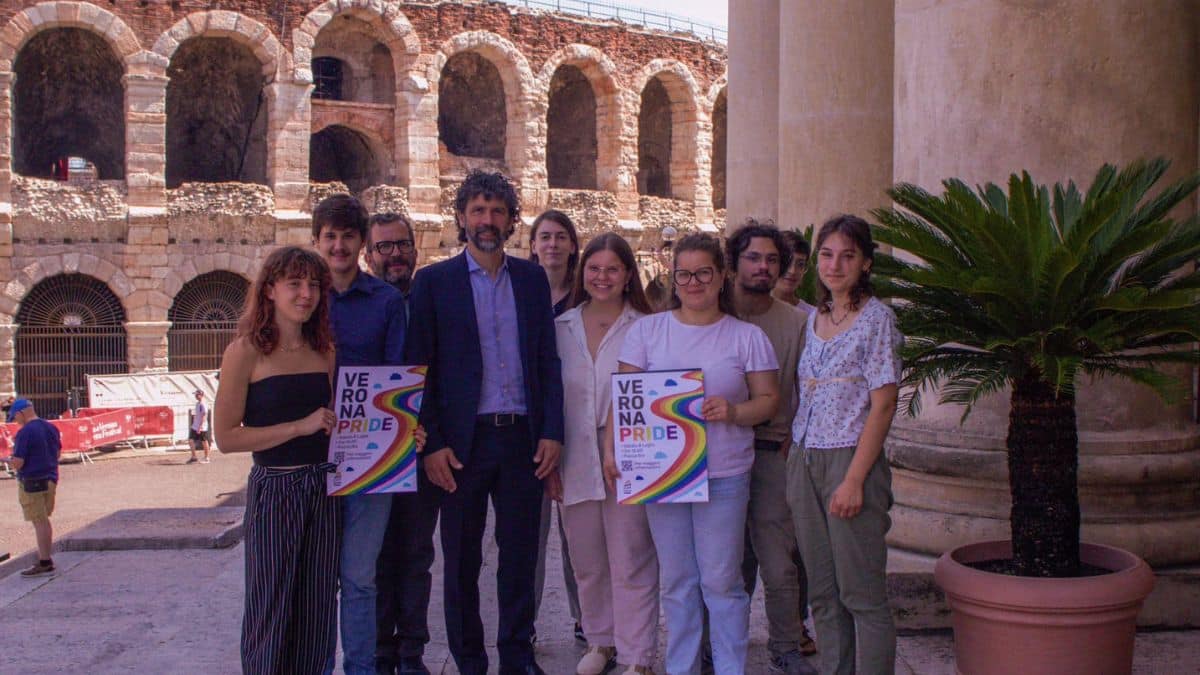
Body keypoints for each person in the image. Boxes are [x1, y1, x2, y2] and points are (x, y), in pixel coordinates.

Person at [406, 170, 563, 675]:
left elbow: (547, 362)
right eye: (478, 210)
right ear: (461, 218)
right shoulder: (433, 284)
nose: (487, 220)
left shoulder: (532, 279)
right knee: (461, 563)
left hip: (521, 438)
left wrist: (552, 431)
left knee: (519, 558)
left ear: (512, 220)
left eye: (497, 211)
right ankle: (470, 661)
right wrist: (431, 444)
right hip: (460, 445)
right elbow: (419, 370)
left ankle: (517, 657)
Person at [612, 233, 780, 675]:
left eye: (703, 272)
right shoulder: (647, 331)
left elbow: (768, 401)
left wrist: (733, 411)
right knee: (679, 582)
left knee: (722, 581)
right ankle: (682, 667)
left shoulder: (747, 337)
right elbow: (626, 399)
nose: (693, 282)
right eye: (683, 273)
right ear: (673, 277)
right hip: (664, 474)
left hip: (723, 473)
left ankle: (729, 668)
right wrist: (618, 451)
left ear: (721, 276)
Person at [213, 246, 339, 674]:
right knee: (270, 607)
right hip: (275, 490)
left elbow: (338, 424)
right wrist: (297, 427)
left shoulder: (325, 352)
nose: (306, 294)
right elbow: (226, 437)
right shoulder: (244, 352)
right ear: (269, 290)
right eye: (295, 284)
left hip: (324, 490)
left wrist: (396, 436)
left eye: (314, 286)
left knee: (318, 607)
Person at [788, 215, 901, 675]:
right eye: (827, 255)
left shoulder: (878, 320)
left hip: (849, 461)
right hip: (804, 459)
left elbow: (884, 406)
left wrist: (854, 481)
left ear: (866, 263)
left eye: (847, 256)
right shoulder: (815, 317)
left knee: (861, 594)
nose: (835, 265)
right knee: (823, 591)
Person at [312, 194, 407, 675]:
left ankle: (362, 670)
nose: (339, 246)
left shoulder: (387, 302)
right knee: (316, 578)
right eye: (330, 236)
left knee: (360, 577)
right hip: (309, 454)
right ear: (317, 241)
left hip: (371, 454)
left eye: (348, 236)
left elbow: (398, 377)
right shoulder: (303, 298)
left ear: (362, 244)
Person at [555, 233, 658, 675]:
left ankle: (637, 655)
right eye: (594, 269)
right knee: (588, 557)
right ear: (583, 273)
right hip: (573, 449)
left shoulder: (647, 326)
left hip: (630, 452)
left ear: (628, 275)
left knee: (632, 555)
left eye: (612, 269)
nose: (602, 277)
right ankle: (600, 641)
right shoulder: (560, 325)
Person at [727, 222, 818, 675]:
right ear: (734, 262)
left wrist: (794, 441)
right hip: (717, 452)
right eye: (753, 257)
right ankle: (722, 648)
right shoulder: (712, 314)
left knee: (779, 562)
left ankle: (785, 644)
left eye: (772, 260)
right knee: (726, 563)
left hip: (772, 452)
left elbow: (812, 389)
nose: (763, 267)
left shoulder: (799, 324)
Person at [366, 210, 442, 675]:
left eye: (401, 245)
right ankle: (380, 651)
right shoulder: (360, 302)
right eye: (384, 247)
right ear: (369, 254)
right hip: (372, 451)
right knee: (374, 557)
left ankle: (412, 652)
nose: (394, 254)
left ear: (415, 250)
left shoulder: (431, 298)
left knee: (415, 555)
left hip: (421, 447)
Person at [528, 208, 585, 644]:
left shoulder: (586, 298)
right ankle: (524, 623)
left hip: (579, 422)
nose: (552, 244)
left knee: (579, 534)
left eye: (560, 236)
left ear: (572, 244)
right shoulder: (518, 293)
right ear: (532, 245)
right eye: (544, 236)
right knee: (529, 533)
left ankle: (587, 618)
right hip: (530, 427)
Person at [9, 398, 62, 577]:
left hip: (31, 481)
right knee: (44, 520)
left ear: (20, 413)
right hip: (50, 479)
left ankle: (45, 561)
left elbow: (19, 462)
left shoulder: (24, 433)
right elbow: (57, 453)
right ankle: (45, 557)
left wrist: (10, 461)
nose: (16, 421)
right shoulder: (51, 427)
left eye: (15, 417)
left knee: (38, 522)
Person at [366, 212, 419, 297]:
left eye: (403, 244)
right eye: (385, 246)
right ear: (369, 259)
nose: (396, 253)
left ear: (415, 253)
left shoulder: (434, 302)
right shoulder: (354, 307)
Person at [774, 230, 815, 314]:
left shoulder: (813, 316)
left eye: (800, 264)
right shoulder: (750, 312)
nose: (792, 271)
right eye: (786, 262)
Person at [188, 390, 211, 464]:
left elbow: (204, 415)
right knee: (191, 440)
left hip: (202, 426)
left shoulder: (203, 404)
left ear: (201, 395)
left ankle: (207, 457)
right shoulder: (198, 403)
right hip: (195, 425)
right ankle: (194, 456)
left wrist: (200, 427)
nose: (195, 396)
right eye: (195, 395)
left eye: (197, 395)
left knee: (204, 441)